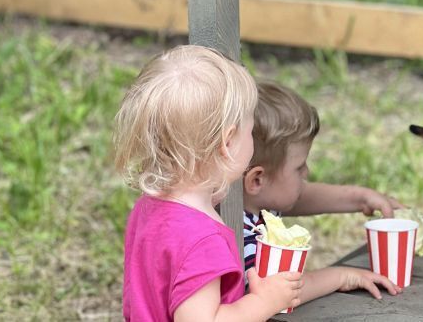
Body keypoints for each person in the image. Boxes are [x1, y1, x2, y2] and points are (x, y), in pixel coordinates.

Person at [114, 45, 303, 322]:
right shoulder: (202, 239)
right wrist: (264, 301)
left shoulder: (148, 207)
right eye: (250, 132)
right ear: (227, 143)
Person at [243, 80, 403, 303]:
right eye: (299, 167)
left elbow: (302, 197)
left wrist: (359, 197)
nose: (307, 172)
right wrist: (341, 276)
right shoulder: (240, 234)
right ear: (257, 180)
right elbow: (276, 292)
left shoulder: (255, 200)